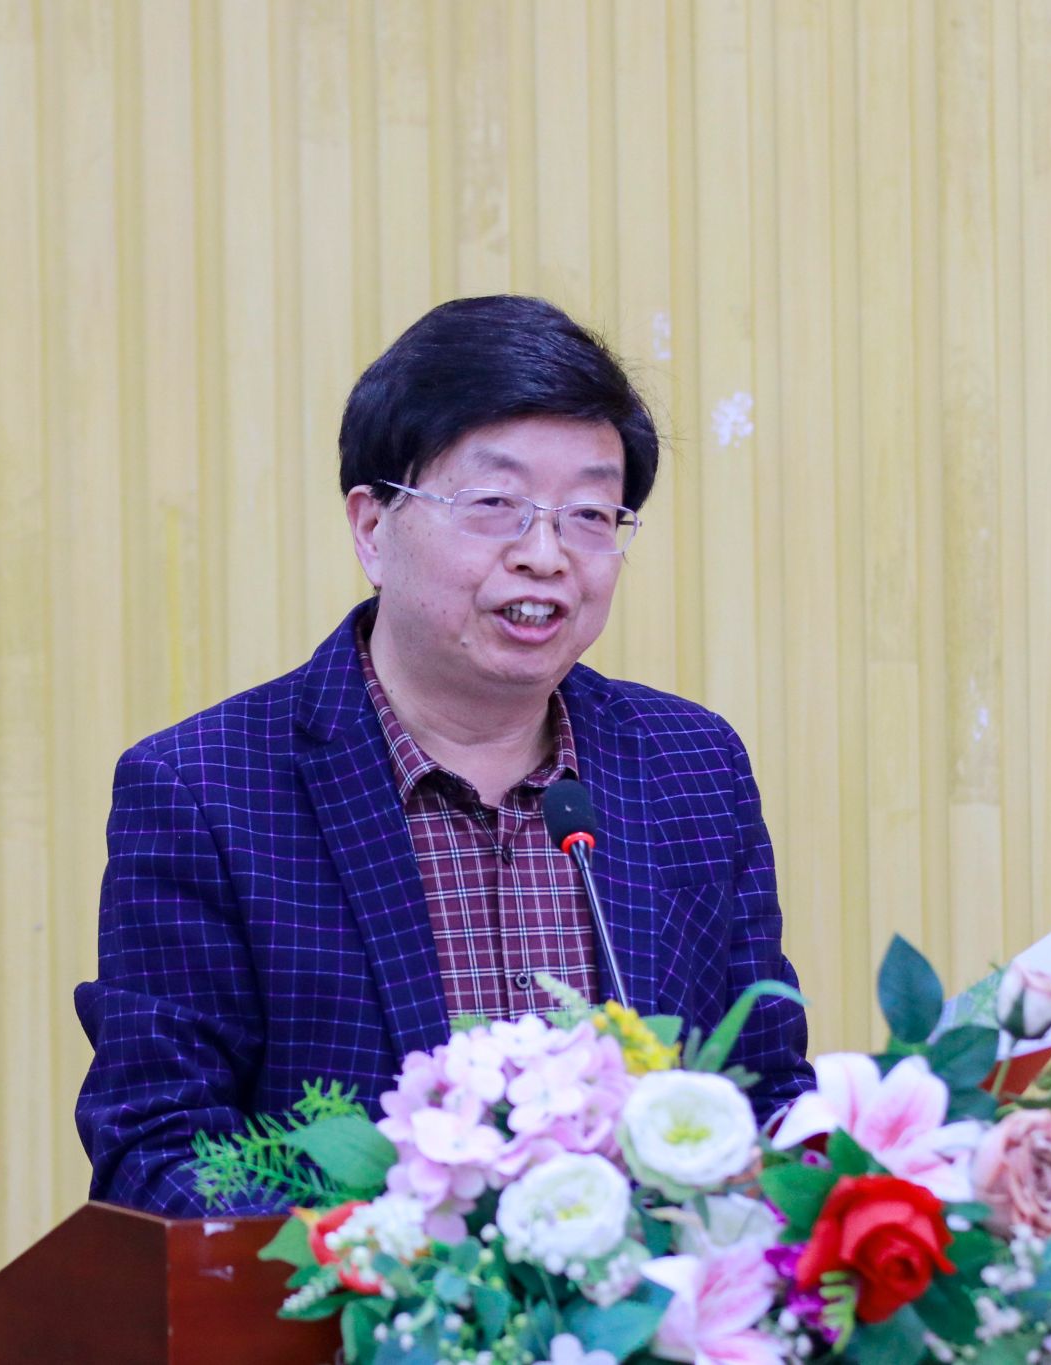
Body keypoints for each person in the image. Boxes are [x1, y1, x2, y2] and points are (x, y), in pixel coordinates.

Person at [75, 294, 813, 1214]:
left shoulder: (691, 767)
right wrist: (404, 1258)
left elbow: (764, 1092)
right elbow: (156, 1152)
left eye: (590, 514)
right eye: (495, 504)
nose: (545, 554)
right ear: (372, 527)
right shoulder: (206, 790)